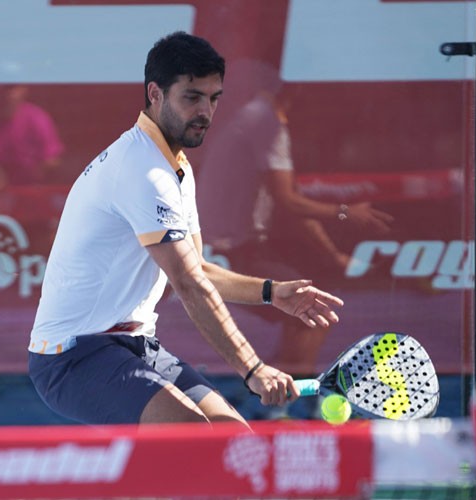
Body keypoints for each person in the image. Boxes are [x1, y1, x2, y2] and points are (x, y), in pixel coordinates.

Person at [27, 32, 344, 428]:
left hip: (136, 346)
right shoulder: (142, 169)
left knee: (235, 443)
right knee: (198, 444)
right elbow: (189, 283)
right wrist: (254, 369)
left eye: (214, 98)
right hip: (72, 358)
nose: (205, 112)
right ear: (155, 94)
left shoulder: (175, 166)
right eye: (192, 97)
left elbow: (199, 268)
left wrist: (272, 292)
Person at [198, 60, 393, 380]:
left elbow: (295, 206)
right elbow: (290, 204)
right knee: (315, 308)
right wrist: (347, 213)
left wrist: (332, 257)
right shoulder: (266, 122)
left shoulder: (259, 119)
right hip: (225, 254)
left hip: (244, 248)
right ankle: (290, 396)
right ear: (299, 90)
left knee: (311, 303)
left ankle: (284, 384)